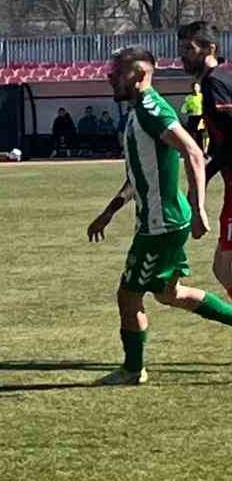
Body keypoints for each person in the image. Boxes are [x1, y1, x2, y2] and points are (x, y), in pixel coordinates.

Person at [85, 47, 232, 385]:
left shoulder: (152, 110)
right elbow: (139, 174)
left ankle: (133, 370)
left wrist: (199, 209)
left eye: (117, 72)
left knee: (128, 295)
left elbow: (193, 151)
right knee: (170, 294)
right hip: (163, 221)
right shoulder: (140, 111)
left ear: (138, 76)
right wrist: (108, 213)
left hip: (160, 225)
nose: (110, 77)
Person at [178, 20, 232, 297]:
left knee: (226, 266)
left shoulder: (215, 82)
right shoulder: (219, 77)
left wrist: (201, 181)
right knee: (222, 266)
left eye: (190, 48)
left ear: (210, 48)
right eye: (181, 48)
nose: (183, 54)